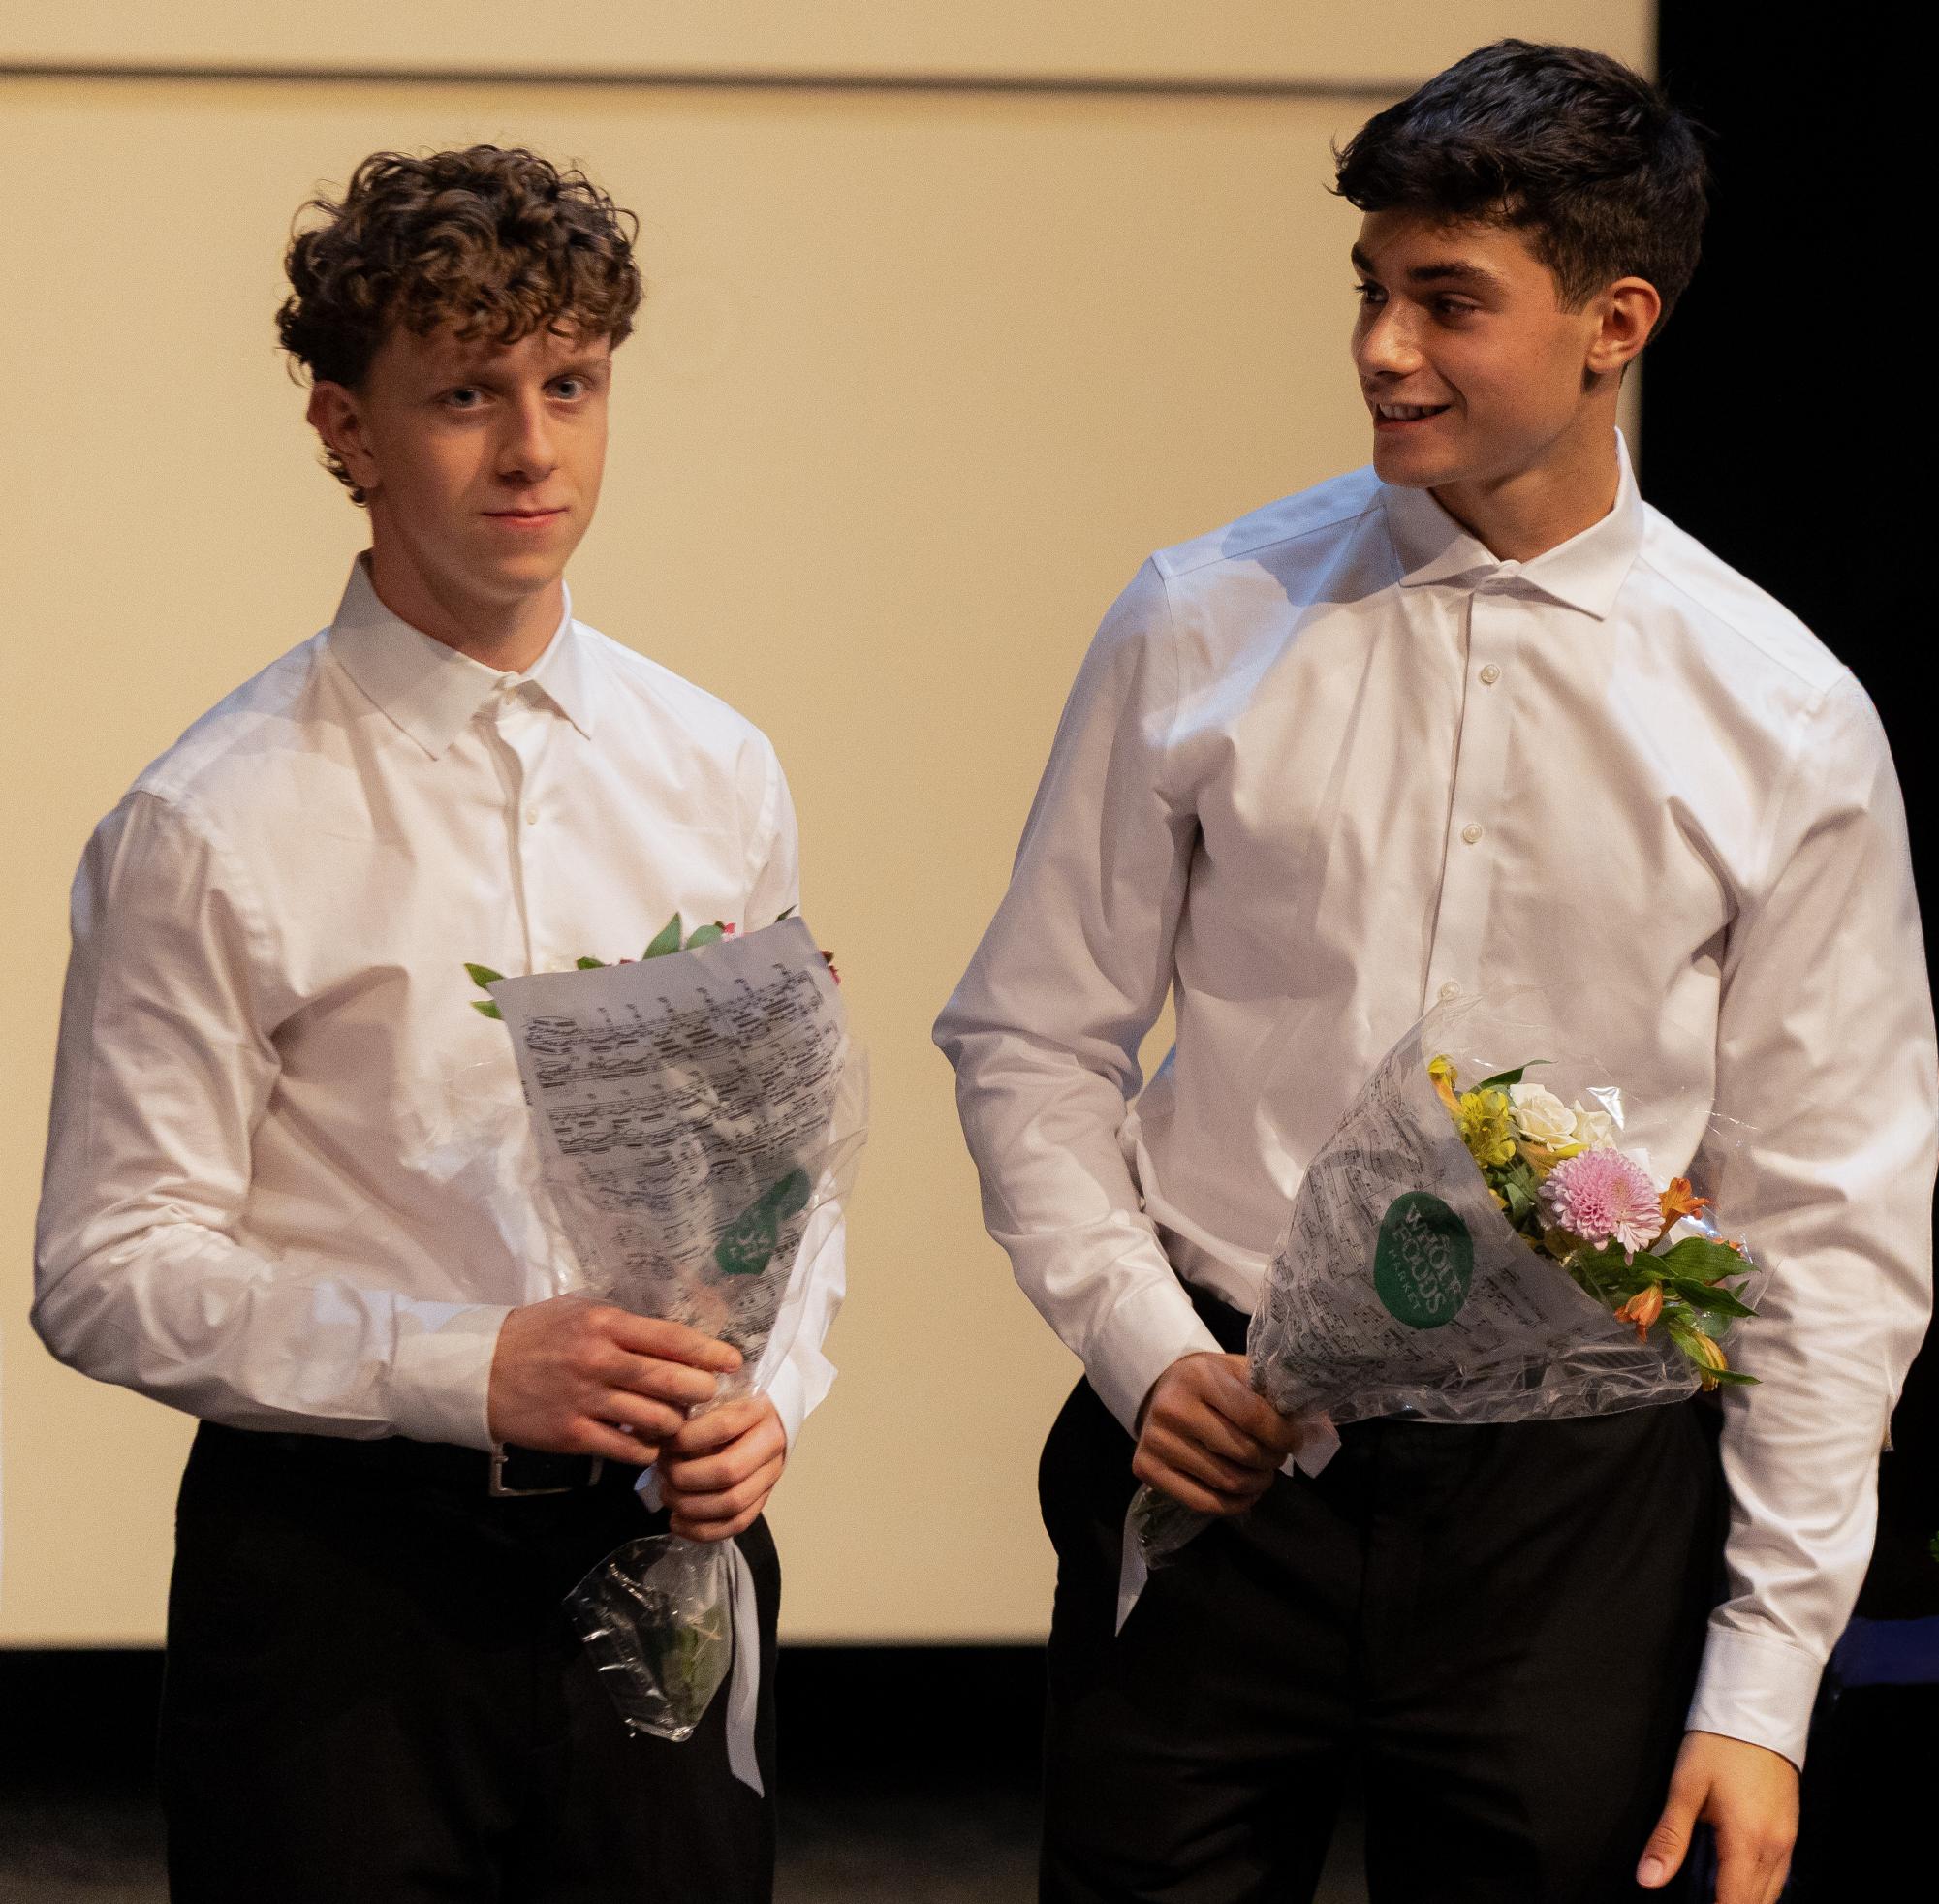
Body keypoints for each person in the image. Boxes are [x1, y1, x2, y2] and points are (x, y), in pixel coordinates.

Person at [935, 40, 1933, 1904]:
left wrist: (1764, 1687)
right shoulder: (1199, 618)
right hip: (1220, 1449)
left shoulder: (1781, 711)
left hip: (1574, 1513)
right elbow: (1028, 1038)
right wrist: (1143, 1350)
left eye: (1446, 301)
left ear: (1612, 320)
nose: (1382, 348)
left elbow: (1838, 1220)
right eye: (1370, 291)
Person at [33, 145, 841, 1902]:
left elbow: (779, 1179)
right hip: (344, 1583)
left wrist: (775, 1390)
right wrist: (459, 1363)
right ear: (346, 430)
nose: (534, 448)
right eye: (467, 394)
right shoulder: (213, 820)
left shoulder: (714, 768)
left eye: (571, 385)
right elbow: (106, 1266)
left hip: (664, 1544)